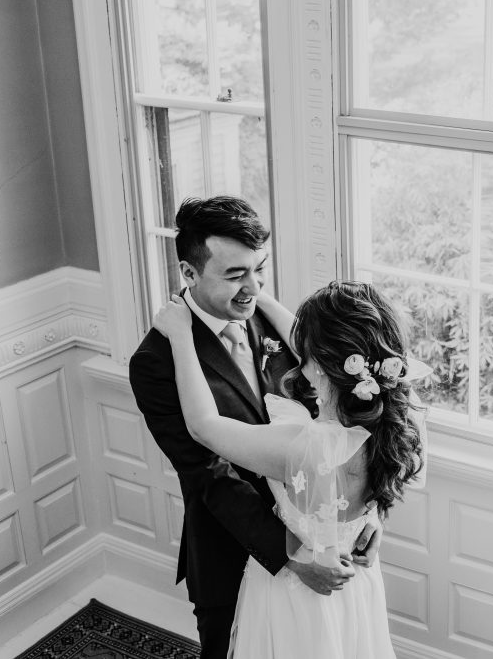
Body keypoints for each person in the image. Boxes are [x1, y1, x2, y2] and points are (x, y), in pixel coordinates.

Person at [129, 197, 382, 659]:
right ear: (188, 273)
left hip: (327, 535)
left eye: (258, 269)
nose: (252, 286)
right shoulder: (157, 362)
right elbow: (208, 472)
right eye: (234, 275)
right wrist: (293, 555)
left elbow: (344, 417)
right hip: (236, 552)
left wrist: (365, 514)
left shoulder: (275, 318)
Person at [152, 280, 428, 658]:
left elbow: (203, 426)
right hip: (355, 586)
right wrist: (257, 292)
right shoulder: (398, 417)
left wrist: (181, 335)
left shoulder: (306, 447)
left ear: (321, 365)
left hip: (292, 596)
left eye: (307, 354)